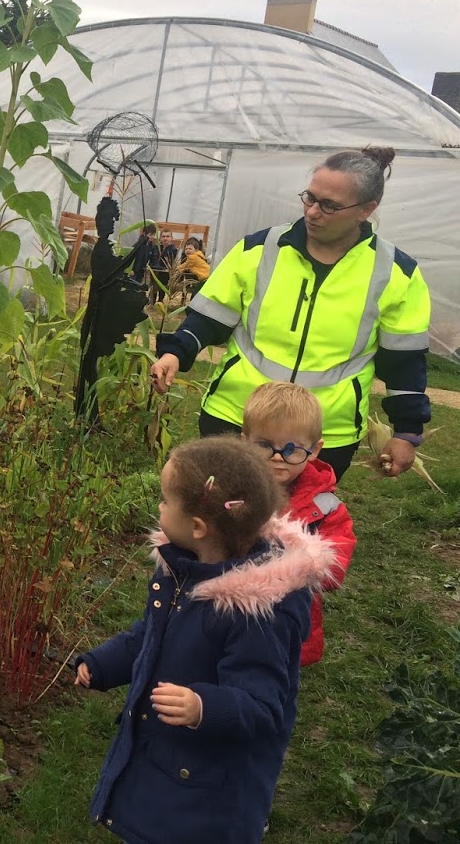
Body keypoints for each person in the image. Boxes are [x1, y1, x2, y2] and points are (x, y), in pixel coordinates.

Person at [74, 436, 334, 843]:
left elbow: (263, 705)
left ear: (198, 527)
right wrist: (104, 663)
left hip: (208, 788)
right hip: (168, 761)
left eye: (164, 501)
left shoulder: (256, 612)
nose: (158, 509)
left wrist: (203, 706)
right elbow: (153, 634)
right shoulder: (184, 569)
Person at [150, 147, 432, 482]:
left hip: (322, 436)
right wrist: (175, 352)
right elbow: (208, 317)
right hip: (236, 417)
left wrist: (407, 432)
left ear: (367, 210)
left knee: (296, 530)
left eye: (329, 205)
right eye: (309, 198)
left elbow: (405, 361)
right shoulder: (259, 249)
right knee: (220, 520)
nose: (313, 212)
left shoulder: (396, 273)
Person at [242, 382, 355, 667]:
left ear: (315, 450)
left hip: (288, 619)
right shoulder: (232, 490)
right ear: (245, 441)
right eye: (265, 446)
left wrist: (289, 564)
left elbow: (334, 568)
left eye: (292, 449)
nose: (278, 457)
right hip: (232, 607)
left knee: (274, 691)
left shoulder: (326, 507)